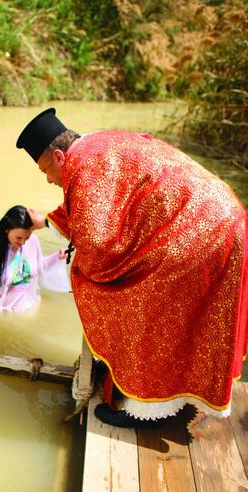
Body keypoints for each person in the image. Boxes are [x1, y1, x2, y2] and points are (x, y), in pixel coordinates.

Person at [16, 107, 248, 427]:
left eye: (44, 170)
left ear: (58, 156)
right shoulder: (96, 145)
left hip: (201, 232)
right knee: (180, 318)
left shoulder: (83, 168)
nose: (48, 179)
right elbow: (90, 205)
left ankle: (145, 407)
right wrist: (46, 221)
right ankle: (169, 388)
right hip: (223, 220)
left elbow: (96, 245)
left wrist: (79, 271)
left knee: (138, 303)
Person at [0, 205, 70, 315]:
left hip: (28, 307)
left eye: (27, 237)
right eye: (19, 238)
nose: (23, 242)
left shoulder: (33, 241)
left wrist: (57, 257)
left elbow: (37, 266)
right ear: (7, 230)